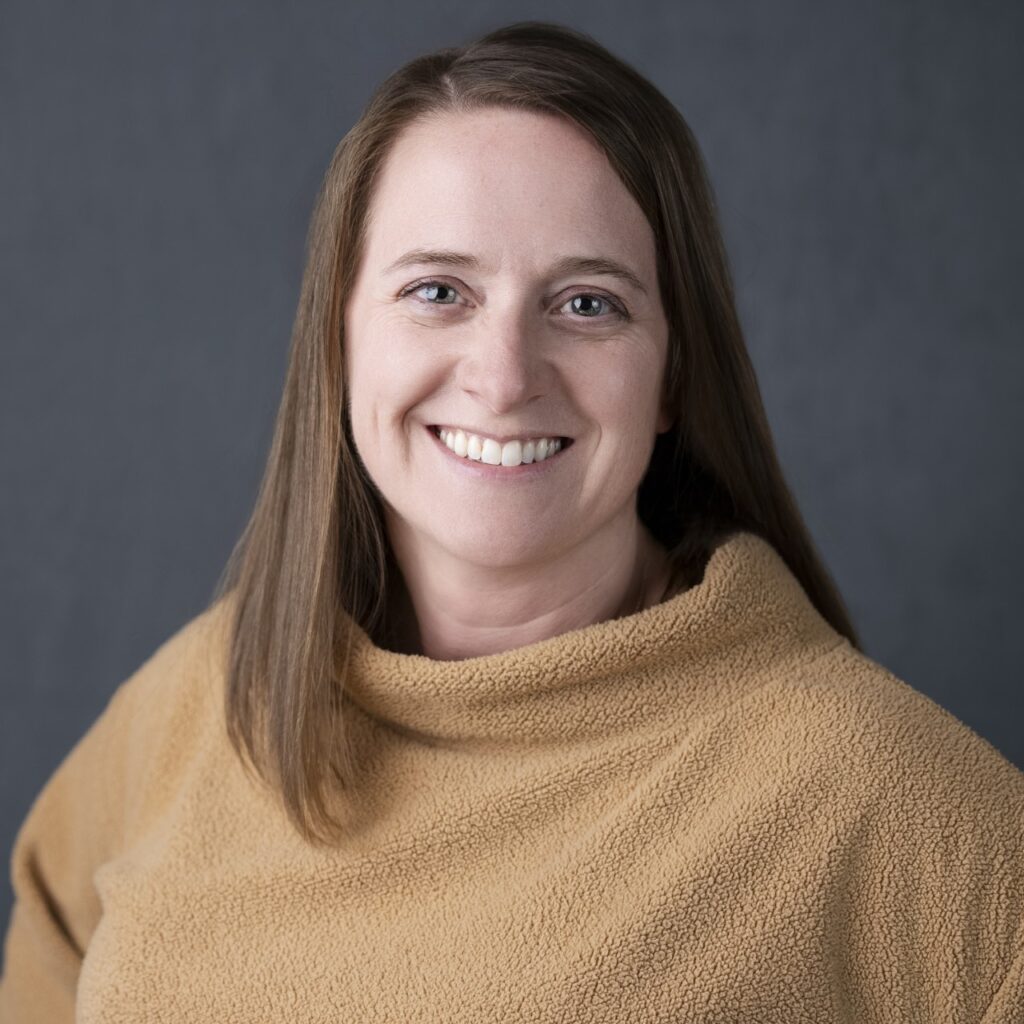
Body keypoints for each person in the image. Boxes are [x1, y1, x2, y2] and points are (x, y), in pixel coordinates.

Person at [1, 20, 1022, 1023]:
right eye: (438, 290)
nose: (501, 379)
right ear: (339, 337)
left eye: (585, 305)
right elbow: (51, 939)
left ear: (670, 372)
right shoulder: (212, 692)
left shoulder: (871, 787)